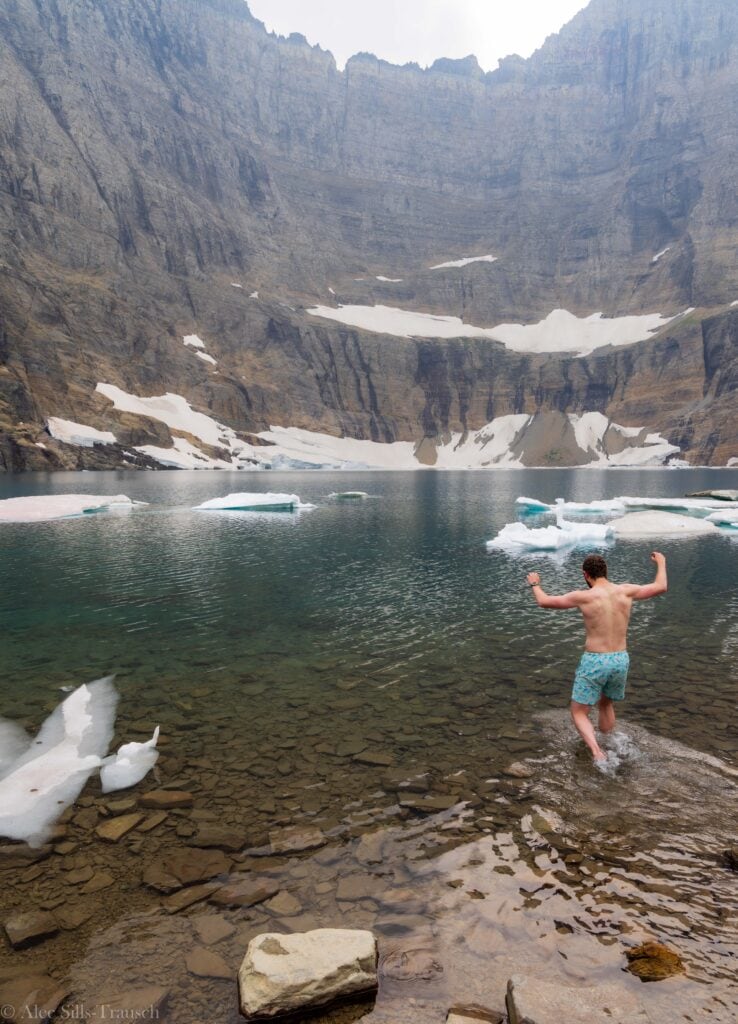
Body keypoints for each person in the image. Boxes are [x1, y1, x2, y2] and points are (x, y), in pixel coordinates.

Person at [526, 552, 667, 763]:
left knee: (579, 712)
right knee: (606, 704)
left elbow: (545, 602)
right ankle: (611, 743)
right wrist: (662, 563)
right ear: (605, 572)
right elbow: (660, 587)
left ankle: (597, 752)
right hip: (620, 659)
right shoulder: (626, 591)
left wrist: (535, 584)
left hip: (595, 660)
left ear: (585, 574)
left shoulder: (584, 596)